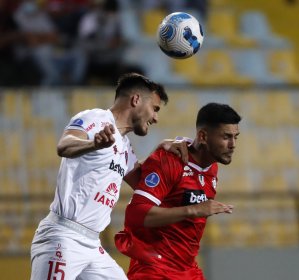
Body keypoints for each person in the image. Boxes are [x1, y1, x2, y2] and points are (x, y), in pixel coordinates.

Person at [30, 73, 188, 280]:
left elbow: (143, 183)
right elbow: (64, 146)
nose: (156, 118)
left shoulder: (124, 146)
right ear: (136, 100)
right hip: (63, 236)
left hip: (92, 245)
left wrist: (161, 152)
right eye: (155, 109)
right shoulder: (95, 118)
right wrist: (92, 144)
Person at [115, 102, 241, 279]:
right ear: (203, 136)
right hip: (155, 269)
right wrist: (193, 210)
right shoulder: (171, 160)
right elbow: (136, 215)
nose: (233, 144)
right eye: (226, 137)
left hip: (187, 270)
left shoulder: (211, 167)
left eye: (236, 137)